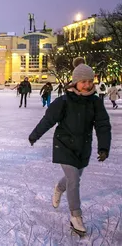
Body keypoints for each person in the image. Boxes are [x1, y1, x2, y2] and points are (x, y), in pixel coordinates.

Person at [28, 57, 111, 236]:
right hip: (64, 146)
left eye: (90, 81)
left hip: (83, 147)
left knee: (74, 177)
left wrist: (104, 147)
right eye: (83, 82)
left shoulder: (95, 102)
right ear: (75, 82)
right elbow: (48, 120)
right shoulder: (64, 101)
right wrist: (35, 135)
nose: (87, 85)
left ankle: (59, 188)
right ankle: (76, 217)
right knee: (73, 179)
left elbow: (103, 125)